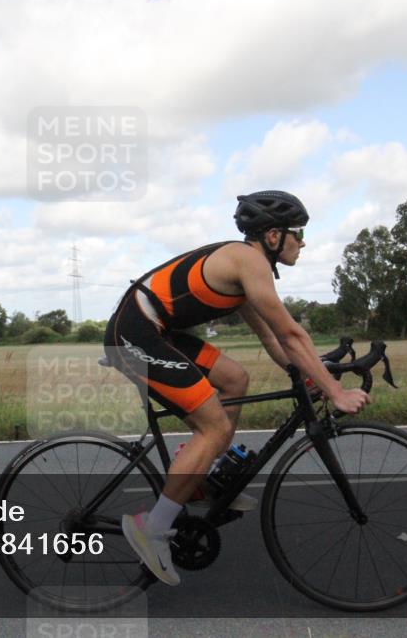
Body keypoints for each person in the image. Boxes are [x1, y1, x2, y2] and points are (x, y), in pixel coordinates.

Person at [102, 190, 372, 586]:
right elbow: (293, 334)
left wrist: (313, 373)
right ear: (274, 236)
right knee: (212, 426)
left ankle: (204, 477)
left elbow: (276, 343)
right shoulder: (248, 261)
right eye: (298, 232)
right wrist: (335, 391)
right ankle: (152, 527)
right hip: (134, 333)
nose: (304, 241)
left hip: (157, 331)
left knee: (234, 379)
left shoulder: (245, 268)